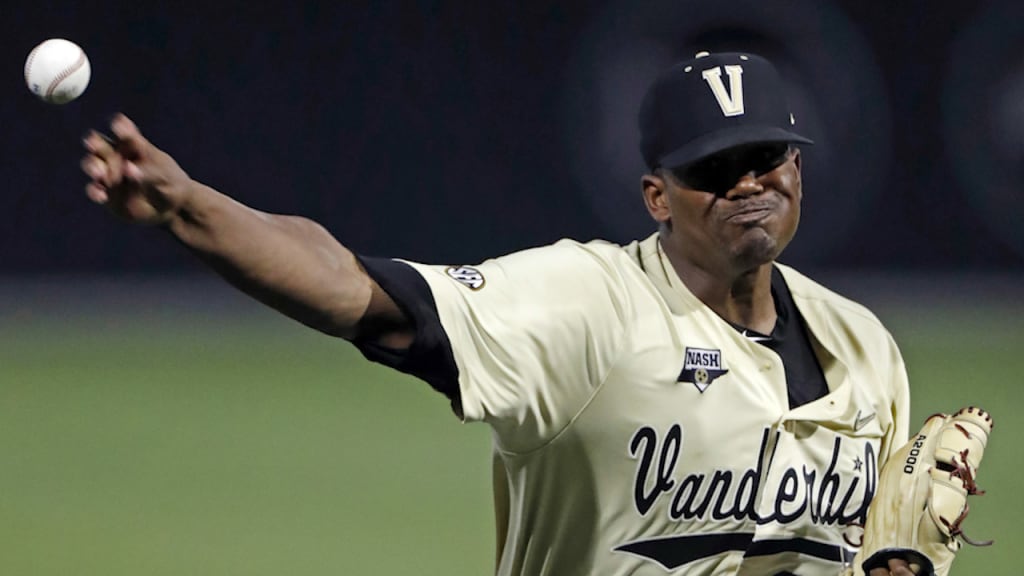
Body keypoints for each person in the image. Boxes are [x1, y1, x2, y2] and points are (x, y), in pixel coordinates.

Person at [80, 51, 918, 576]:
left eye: (767, 157)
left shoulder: (866, 349)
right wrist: (188, 208)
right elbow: (358, 293)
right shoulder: (588, 306)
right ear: (657, 198)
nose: (748, 184)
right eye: (716, 167)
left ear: (800, 171)